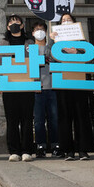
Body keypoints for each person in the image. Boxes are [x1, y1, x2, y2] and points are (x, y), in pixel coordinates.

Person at [51, 13, 92, 161]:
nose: (66, 22)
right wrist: (52, 40)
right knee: (64, 117)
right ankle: (68, 150)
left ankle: (83, 150)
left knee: (82, 116)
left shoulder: (82, 41)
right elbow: (50, 57)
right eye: (63, 21)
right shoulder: (55, 41)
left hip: (80, 82)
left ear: (75, 23)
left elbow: (90, 58)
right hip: (63, 82)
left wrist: (77, 52)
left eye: (69, 20)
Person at [0, 15, 35, 162]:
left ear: (22, 25)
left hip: (27, 85)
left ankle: (27, 150)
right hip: (10, 85)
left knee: (27, 119)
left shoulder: (29, 43)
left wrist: (36, 81)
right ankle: (14, 151)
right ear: (7, 27)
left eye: (17, 22)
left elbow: (34, 64)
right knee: (11, 120)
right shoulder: (3, 43)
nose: (14, 24)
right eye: (11, 22)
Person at [32, 21, 61, 158]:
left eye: (42, 29)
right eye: (37, 30)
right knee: (38, 120)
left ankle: (56, 145)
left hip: (53, 87)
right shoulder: (29, 50)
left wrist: (53, 40)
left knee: (54, 119)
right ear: (32, 33)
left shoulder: (52, 47)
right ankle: (40, 146)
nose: (39, 32)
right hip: (37, 89)